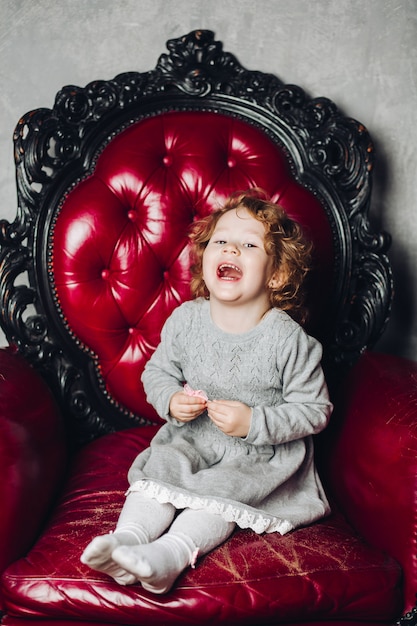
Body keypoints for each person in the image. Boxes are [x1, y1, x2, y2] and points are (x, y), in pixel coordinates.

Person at [81, 188, 333, 594]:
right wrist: (170, 399)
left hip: (257, 457)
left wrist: (255, 421)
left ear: (277, 274)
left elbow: (315, 410)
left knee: (218, 494)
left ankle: (169, 556)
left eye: (248, 244)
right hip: (193, 439)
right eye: (221, 241)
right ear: (204, 257)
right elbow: (157, 372)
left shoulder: (290, 341)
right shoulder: (186, 320)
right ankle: (126, 543)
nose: (230, 247)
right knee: (160, 468)